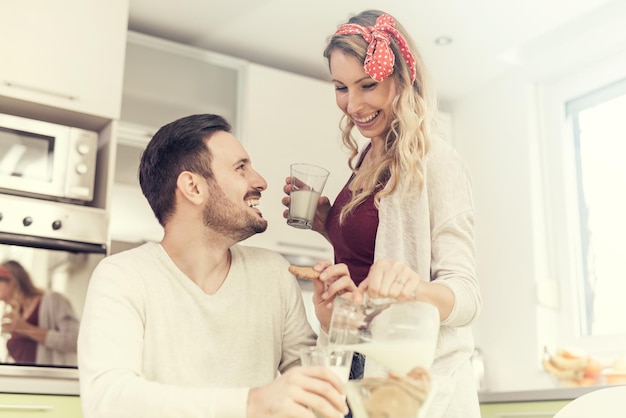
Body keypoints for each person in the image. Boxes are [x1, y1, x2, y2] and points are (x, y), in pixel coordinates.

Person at [77, 114, 355, 418]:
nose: (260, 181)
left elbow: (317, 402)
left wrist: (332, 327)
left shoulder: (274, 274)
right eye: (240, 168)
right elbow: (107, 400)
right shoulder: (123, 277)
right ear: (193, 187)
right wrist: (252, 403)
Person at [282, 10, 482, 418]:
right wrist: (328, 226)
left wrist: (416, 289)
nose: (353, 105)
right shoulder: (371, 155)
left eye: (367, 85)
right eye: (341, 88)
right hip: (354, 361)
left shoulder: (434, 160)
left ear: (401, 79)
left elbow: (467, 296)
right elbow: (372, 256)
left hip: (408, 381)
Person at [0, 259, 79, 366]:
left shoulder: (53, 301)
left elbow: (75, 342)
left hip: (51, 380)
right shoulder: (17, 315)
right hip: (26, 381)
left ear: (13, 280)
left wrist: (25, 328)